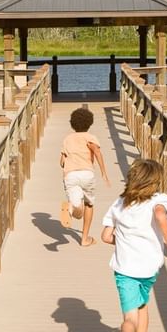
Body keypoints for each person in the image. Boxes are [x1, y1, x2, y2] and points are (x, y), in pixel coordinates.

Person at [100, 159, 167, 332]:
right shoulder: (158, 199)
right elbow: (160, 214)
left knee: (129, 317)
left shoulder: (119, 204)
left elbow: (106, 236)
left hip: (125, 268)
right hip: (148, 268)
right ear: (154, 181)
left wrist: (123, 241)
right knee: (143, 306)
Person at [59, 106, 110, 247]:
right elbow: (97, 152)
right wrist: (104, 173)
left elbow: (62, 161)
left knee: (76, 207)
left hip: (70, 175)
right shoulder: (90, 138)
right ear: (90, 123)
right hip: (87, 174)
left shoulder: (67, 139)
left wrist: (67, 164)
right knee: (89, 204)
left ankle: (71, 207)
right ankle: (85, 239)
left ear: (72, 124)